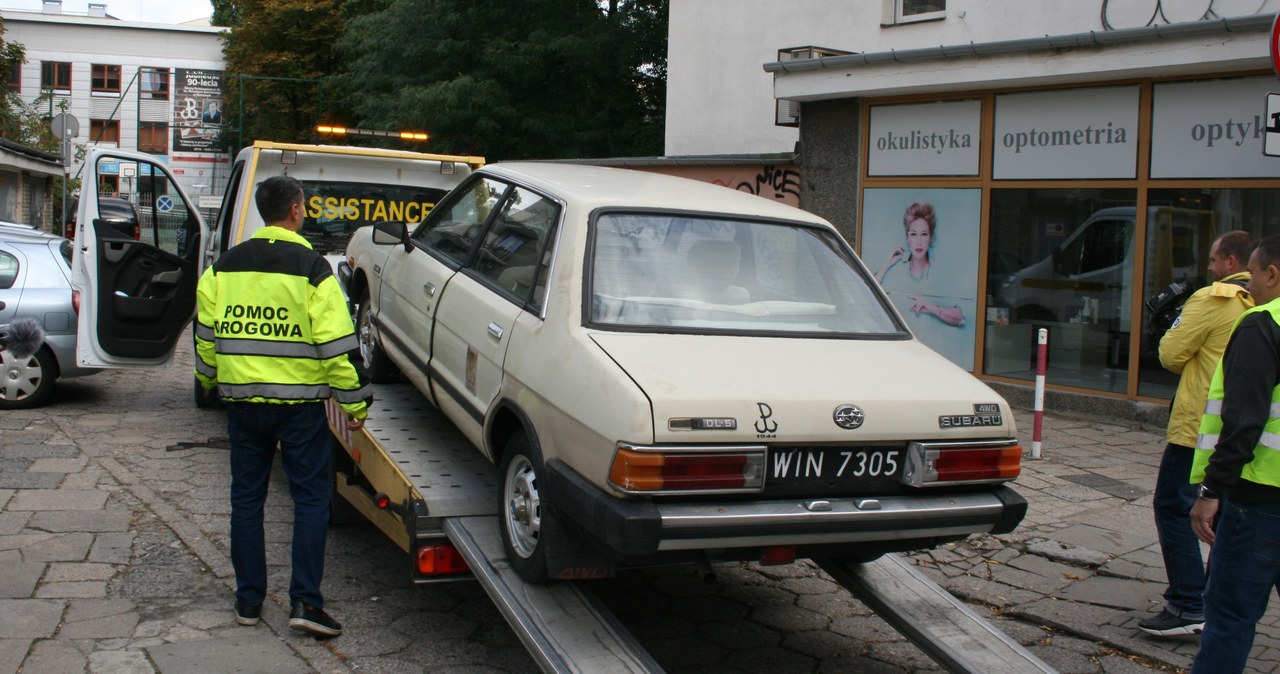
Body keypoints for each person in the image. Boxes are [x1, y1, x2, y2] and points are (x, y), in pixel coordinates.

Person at [194, 175, 371, 638]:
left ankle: (248, 602)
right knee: (310, 500)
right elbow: (336, 345)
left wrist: (208, 382)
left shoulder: (222, 269)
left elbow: (206, 340)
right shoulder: (313, 269)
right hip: (299, 409)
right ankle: (305, 604)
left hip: (242, 405)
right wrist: (355, 405)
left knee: (246, 501)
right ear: (296, 210)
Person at [1138, 231, 1254, 638]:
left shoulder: (1212, 298)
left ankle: (1189, 603)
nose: (1208, 268)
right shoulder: (1263, 304)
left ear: (1231, 262)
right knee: (1228, 513)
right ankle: (1221, 599)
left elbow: (1171, 355)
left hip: (1199, 427)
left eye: (1213, 260)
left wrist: (1172, 325)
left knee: (1173, 506)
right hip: (1248, 428)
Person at [1188, 233, 1280, 673]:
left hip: (1259, 502)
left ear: (1272, 274)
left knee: (1229, 617)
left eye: (1255, 275)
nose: (1251, 285)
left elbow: (1243, 422)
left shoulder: (1263, 324)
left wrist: (1211, 490)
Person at [874, 200, 964, 326]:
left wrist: (930, 308)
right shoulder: (896, 269)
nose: (919, 241)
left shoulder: (940, 272)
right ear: (907, 237)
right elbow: (868, 293)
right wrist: (887, 263)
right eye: (914, 234)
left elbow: (959, 317)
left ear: (930, 237)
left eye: (924, 234)